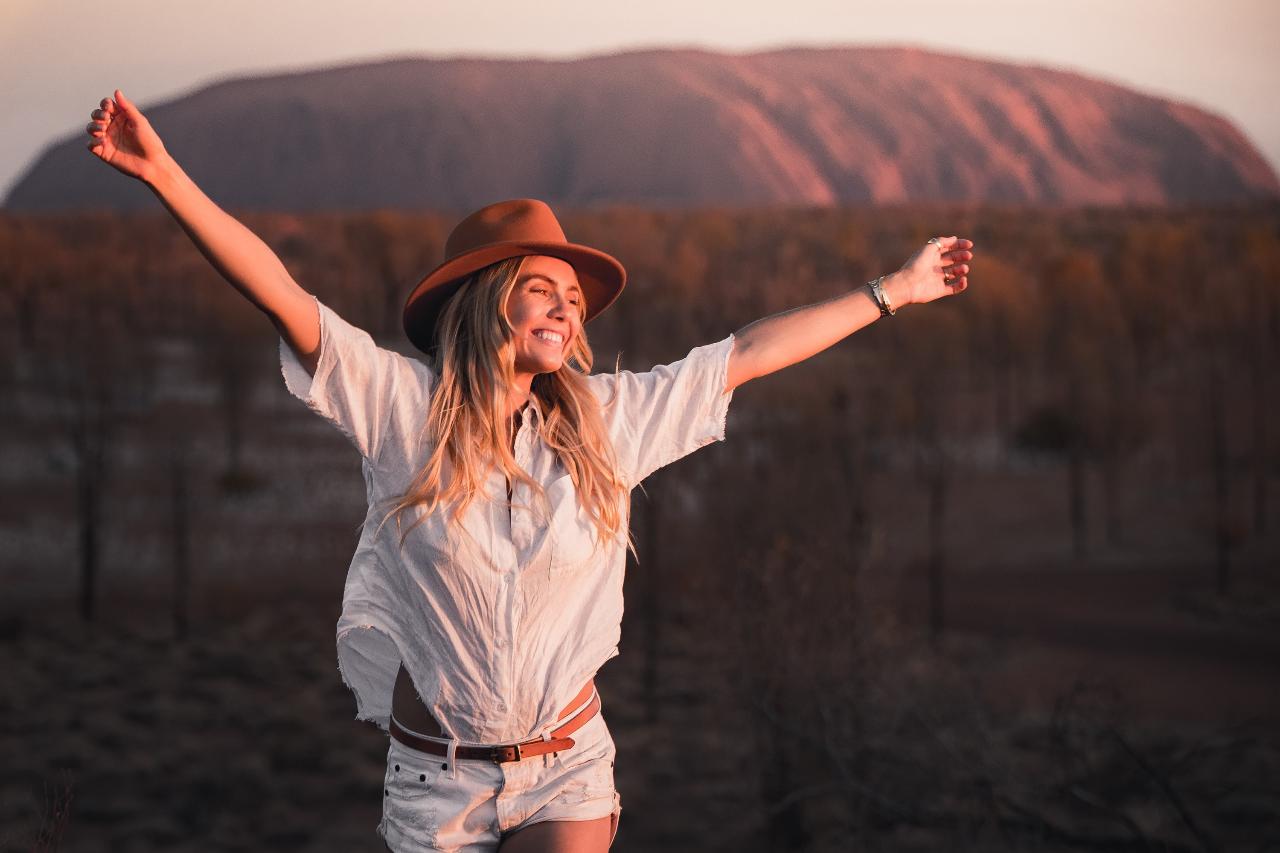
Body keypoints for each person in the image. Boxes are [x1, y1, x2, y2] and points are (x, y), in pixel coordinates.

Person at [86, 88, 973, 853]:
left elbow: (743, 352)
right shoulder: (402, 411)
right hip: (437, 789)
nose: (566, 306)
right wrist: (166, 176)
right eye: (543, 286)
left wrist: (894, 288)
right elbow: (280, 293)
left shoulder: (607, 423)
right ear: (487, 297)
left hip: (568, 768)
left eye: (574, 297)